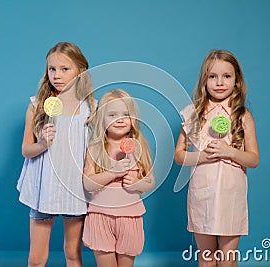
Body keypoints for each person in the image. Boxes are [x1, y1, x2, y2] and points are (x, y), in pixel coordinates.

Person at [174, 50, 259, 267]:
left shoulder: (243, 116)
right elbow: (179, 156)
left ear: (237, 81)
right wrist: (202, 157)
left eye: (227, 76)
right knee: (207, 258)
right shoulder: (193, 114)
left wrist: (229, 151)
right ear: (204, 80)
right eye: (213, 76)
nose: (219, 82)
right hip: (203, 195)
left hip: (231, 196)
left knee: (228, 260)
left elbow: (253, 159)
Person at [17, 42, 95, 267]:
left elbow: (94, 151)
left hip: (75, 190)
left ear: (80, 71)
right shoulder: (37, 105)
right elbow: (26, 150)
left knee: (72, 252)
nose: (57, 75)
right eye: (52, 69)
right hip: (44, 189)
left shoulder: (90, 108)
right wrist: (42, 143)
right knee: (37, 257)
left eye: (65, 69)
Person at [82, 89, 155, 267]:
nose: (120, 119)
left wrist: (138, 183)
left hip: (130, 217)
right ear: (102, 119)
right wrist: (112, 173)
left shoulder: (139, 147)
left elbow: (151, 182)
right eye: (112, 114)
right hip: (100, 215)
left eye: (126, 114)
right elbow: (88, 183)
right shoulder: (94, 148)